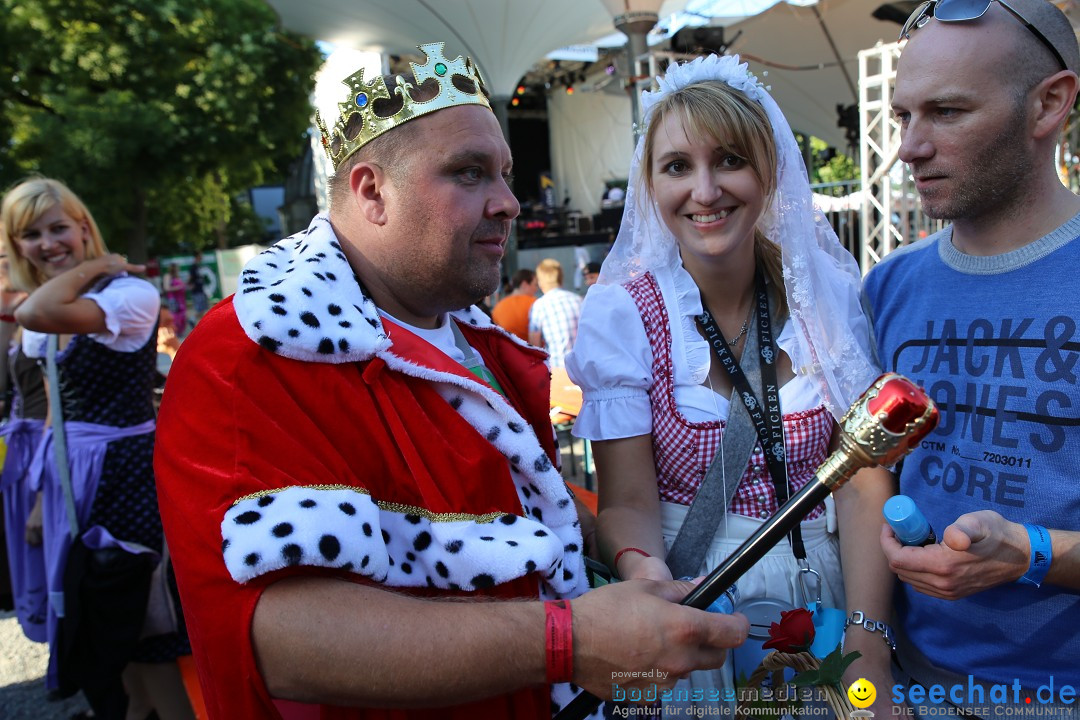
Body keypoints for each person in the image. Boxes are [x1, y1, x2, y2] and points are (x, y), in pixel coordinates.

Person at [153, 42, 748, 720]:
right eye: (469, 173)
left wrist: (625, 555)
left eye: (504, 174)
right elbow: (278, 640)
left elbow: (525, 511)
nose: (509, 203)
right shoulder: (250, 356)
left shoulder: (473, 340)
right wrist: (567, 639)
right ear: (371, 190)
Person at [565, 54, 897, 713]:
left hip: (828, 595)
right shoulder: (623, 316)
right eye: (678, 167)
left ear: (768, 170)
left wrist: (871, 643)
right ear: (650, 185)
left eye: (730, 160)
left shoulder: (821, 296)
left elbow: (863, 480)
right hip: (698, 601)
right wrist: (650, 580)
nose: (706, 190)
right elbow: (626, 501)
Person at [863, 0, 1080, 702]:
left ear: (1049, 104)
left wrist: (1033, 554)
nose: (909, 147)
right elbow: (870, 485)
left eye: (948, 113)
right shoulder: (888, 287)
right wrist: (868, 665)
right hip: (918, 684)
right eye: (903, 116)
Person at [1, 177, 195, 720]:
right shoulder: (65, 301)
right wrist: (43, 497)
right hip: (69, 476)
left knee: (139, 621)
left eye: (58, 227)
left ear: (83, 227)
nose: (47, 244)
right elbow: (52, 413)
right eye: (30, 235)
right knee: (106, 634)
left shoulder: (128, 295)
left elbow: (32, 312)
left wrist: (97, 265)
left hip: (122, 472)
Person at [0, 248, 48, 645]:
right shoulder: (15, 317)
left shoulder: (40, 310)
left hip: (39, 442)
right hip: (21, 440)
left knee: (44, 548)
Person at [528, 258, 582, 368]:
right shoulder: (579, 300)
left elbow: (535, 347)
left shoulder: (539, 306)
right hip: (583, 369)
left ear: (540, 282)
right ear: (561, 278)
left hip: (558, 370)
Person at [491, 267, 538, 340]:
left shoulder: (498, 307)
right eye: (535, 285)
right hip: (530, 349)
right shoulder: (536, 303)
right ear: (524, 284)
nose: (536, 289)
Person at [163, 263, 187, 336]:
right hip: (173, 299)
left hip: (180, 299)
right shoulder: (168, 276)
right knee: (174, 316)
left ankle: (179, 331)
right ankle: (174, 331)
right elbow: (166, 288)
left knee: (182, 315)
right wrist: (178, 287)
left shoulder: (177, 277)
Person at [187, 251, 208, 323]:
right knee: (200, 309)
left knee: (203, 309)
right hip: (196, 290)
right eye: (200, 255)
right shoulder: (193, 267)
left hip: (200, 289)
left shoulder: (198, 266)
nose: (202, 257)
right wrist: (189, 284)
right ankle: (192, 319)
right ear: (197, 256)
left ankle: (200, 323)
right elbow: (189, 278)